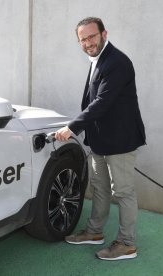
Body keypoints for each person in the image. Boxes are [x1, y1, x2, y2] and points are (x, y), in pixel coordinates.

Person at [55, 17, 146, 260]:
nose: (87, 43)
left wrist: (73, 127)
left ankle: (127, 243)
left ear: (104, 33)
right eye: (82, 39)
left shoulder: (117, 62)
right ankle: (95, 232)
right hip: (100, 140)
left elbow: (102, 101)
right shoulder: (98, 59)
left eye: (91, 36)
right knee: (101, 189)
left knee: (123, 192)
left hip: (121, 140)